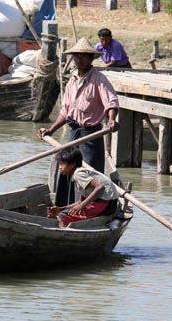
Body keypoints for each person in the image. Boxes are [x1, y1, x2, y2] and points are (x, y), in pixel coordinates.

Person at [37, 37, 119, 207]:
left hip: (91, 135)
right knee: (67, 170)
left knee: (88, 174)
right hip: (74, 134)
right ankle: (64, 207)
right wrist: (51, 130)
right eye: (76, 56)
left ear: (91, 59)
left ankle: (86, 209)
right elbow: (65, 112)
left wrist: (111, 120)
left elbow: (111, 102)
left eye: (83, 56)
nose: (79, 59)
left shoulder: (98, 79)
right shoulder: (72, 81)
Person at [47, 147, 119, 228]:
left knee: (64, 217)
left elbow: (100, 187)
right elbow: (81, 201)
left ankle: (64, 233)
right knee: (63, 213)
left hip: (107, 204)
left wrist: (82, 206)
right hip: (105, 203)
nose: (60, 167)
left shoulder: (79, 174)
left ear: (72, 164)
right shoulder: (78, 175)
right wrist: (61, 208)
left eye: (62, 164)